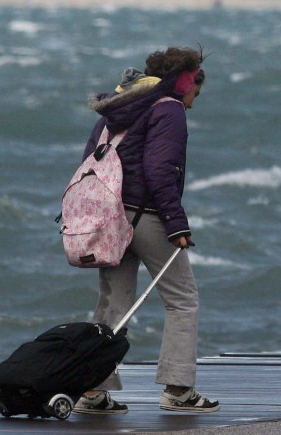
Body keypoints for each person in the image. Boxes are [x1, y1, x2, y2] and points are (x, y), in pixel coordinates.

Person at [73, 46, 220, 415]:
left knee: (114, 303)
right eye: (195, 93)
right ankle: (178, 388)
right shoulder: (169, 108)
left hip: (111, 217)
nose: (192, 103)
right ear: (185, 82)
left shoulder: (118, 106)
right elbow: (159, 170)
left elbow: (90, 160)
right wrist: (176, 224)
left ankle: (91, 389)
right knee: (182, 300)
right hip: (148, 217)